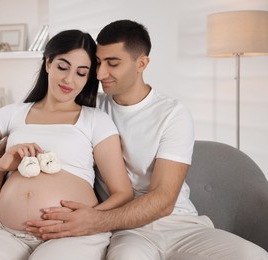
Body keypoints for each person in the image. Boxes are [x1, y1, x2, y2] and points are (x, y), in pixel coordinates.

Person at [24, 20, 268, 259]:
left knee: (253, 255)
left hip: (180, 225)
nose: (100, 73)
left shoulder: (172, 113)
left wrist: (95, 220)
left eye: (113, 63)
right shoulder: (89, 108)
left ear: (141, 63)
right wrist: (4, 163)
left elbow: (164, 200)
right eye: (98, 63)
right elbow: (35, 125)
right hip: (127, 231)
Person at [0, 29, 133, 260]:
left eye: (81, 73)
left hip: (71, 235)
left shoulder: (95, 120)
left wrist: (89, 218)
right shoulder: (14, 113)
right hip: (7, 233)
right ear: (48, 63)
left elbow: (123, 192)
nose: (69, 79)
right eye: (62, 67)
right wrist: (1, 164)